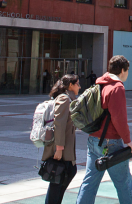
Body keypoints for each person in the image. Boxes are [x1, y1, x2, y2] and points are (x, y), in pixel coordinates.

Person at [75, 56, 132, 204]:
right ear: (122, 70)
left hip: (94, 139)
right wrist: (128, 140)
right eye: (127, 70)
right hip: (110, 143)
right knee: (123, 183)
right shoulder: (117, 87)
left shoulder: (100, 84)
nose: (127, 73)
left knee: (90, 181)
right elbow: (119, 118)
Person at [43, 75, 81, 204]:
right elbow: (58, 124)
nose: (79, 87)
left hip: (66, 147)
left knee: (63, 176)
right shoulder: (64, 99)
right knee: (58, 177)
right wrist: (59, 148)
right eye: (77, 84)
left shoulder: (69, 99)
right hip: (62, 148)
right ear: (70, 85)